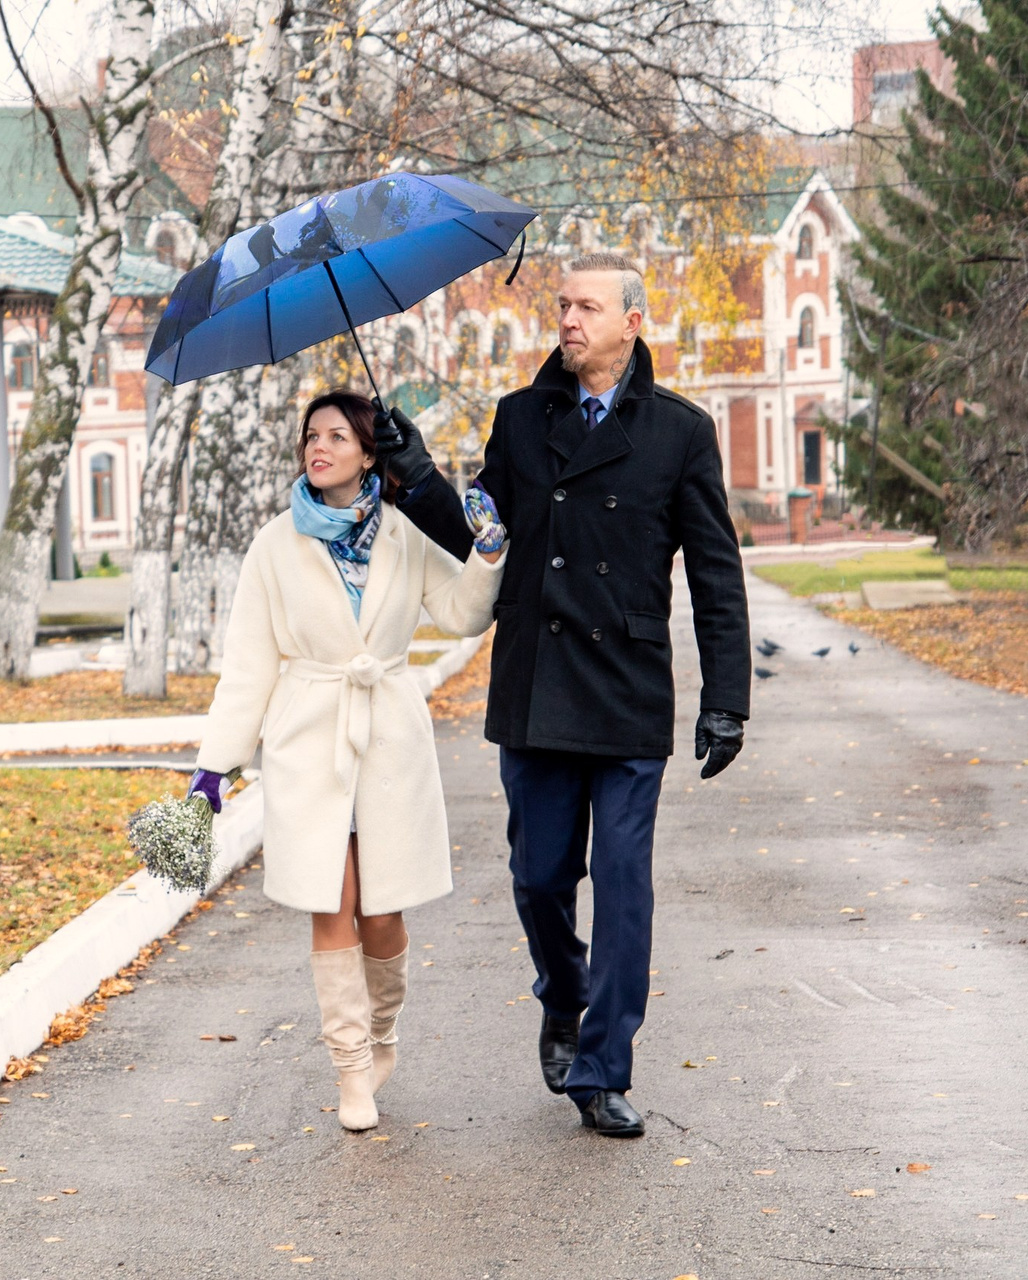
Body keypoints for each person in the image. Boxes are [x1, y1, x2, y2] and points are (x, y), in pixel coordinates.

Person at [375, 251, 752, 1138]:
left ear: (632, 323)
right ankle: (563, 994)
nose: (569, 320)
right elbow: (482, 536)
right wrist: (417, 477)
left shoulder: (679, 432)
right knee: (540, 876)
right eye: (562, 306)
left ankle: (605, 1067)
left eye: (587, 307)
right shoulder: (520, 418)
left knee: (622, 886)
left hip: (626, 692)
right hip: (537, 687)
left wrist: (726, 697)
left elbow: (715, 572)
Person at [187, 389, 507, 1131]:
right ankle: (351, 1068)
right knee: (332, 902)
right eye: (311, 436)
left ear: (369, 452)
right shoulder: (274, 544)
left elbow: (462, 613)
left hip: (388, 732)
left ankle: (382, 1030)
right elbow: (249, 665)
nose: (319, 447)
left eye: (337, 436)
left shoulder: (402, 532)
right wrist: (215, 767)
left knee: (383, 912)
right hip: (309, 740)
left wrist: (488, 552)